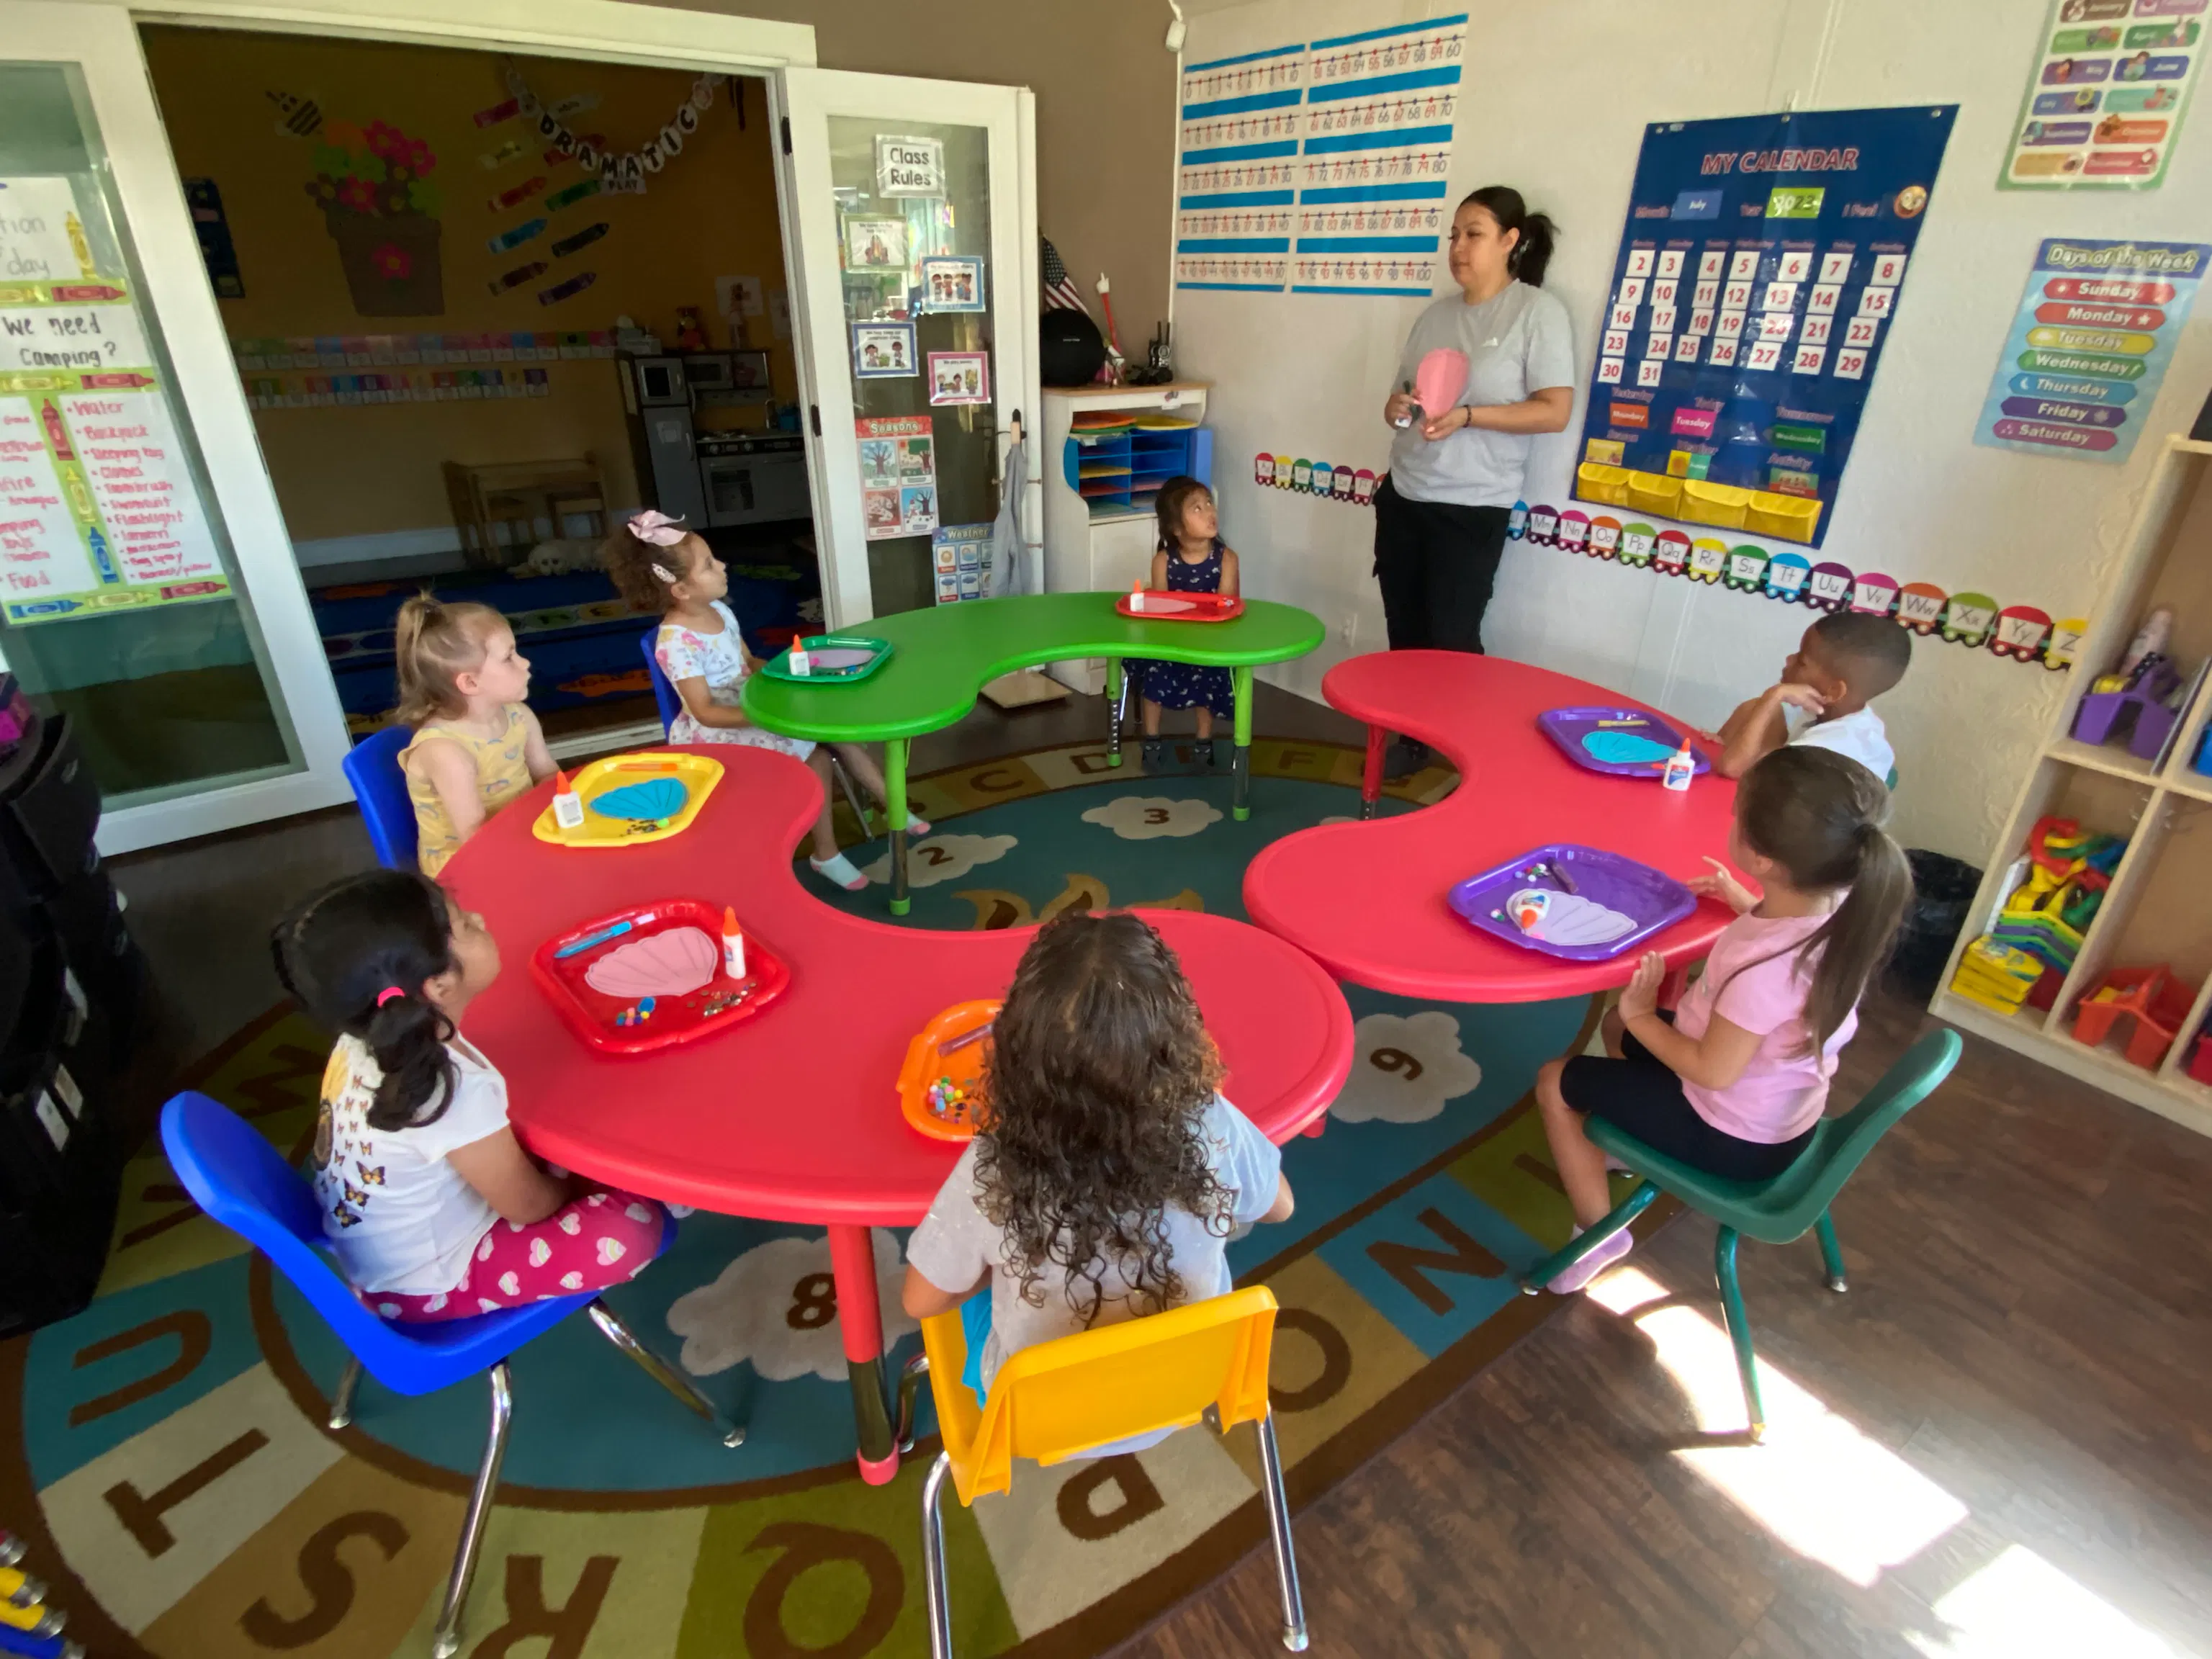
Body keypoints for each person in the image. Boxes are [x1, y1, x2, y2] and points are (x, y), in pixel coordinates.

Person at [1532, 747, 1911, 1292]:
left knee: (1557, 1079)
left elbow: (1712, 1071)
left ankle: (1598, 1235)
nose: (1731, 821)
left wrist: (1644, 1015)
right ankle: (1630, 1139)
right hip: (1777, 1111)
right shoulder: (1843, 905)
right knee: (1616, 1025)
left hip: (1733, 1139)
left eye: (1736, 816)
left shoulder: (1766, 973)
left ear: (1761, 860)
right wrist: (1746, 904)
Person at [901, 911, 1295, 1413]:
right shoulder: (1209, 1120)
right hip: (1188, 1385)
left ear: (1015, 1054)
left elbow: (921, 1302)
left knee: (972, 1285)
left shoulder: (994, 1164)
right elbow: (1280, 1207)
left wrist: (1006, 1259)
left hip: (1040, 1416)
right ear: (1175, 1044)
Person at [272, 869, 669, 1321]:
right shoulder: (450, 1088)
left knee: (570, 1141)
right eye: (464, 925)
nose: (479, 918)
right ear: (439, 987)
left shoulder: (363, 1039)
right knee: (629, 1229)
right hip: (429, 1283)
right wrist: (586, 1187)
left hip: (381, 1251)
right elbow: (530, 1206)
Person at [601, 510, 928, 892]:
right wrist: (769, 713)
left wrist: (781, 673)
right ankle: (826, 854)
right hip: (720, 730)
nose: (723, 566)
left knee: (835, 729)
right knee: (817, 757)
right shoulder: (675, 643)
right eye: (709, 565)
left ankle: (894, 805)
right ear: (681, 591)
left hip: (753, 701)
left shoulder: (719, 610)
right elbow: (705, 711)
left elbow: (747, 661)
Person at [1375, 185, 1576, 778]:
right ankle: (1411, 740)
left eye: (1474, 234)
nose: (1459, 248)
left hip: (1471, 508)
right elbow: (1402, 398)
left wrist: (1468, 416)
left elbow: (1554, 412)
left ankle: (1464, 752)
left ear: (1511, 241)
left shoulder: (1536, 312)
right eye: (1454, 236)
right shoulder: (1436, 316)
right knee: (1405, 633)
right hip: (1405, 494)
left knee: (1453, 639)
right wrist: (1398, 407)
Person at [393, 595, 556, 878]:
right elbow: (476, 840)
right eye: (509, 658)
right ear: (470, 682)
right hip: (465, 868)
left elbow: (547, 773)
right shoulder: (446, 752)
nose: (525, 662)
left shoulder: (518, 715)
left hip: (524, 836)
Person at [1711, 611, 1909, 782]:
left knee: (1763, 710)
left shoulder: (1823, 751)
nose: (1789, 659)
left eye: (1802, 661)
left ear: (1833, 692)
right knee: (1756, 709)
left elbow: (1732, 768)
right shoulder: (1849, 716)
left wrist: (1774, 695)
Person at [1128, 477, 1241, 769]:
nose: (1209, 511)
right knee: (1152, 671)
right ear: (1176, 528)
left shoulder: (1227, 559)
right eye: (1197, 508)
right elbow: (1162, 608)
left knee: (1209, 678)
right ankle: (1152, 739)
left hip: (1208, 641)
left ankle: (1204, 741)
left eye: (1209, 503)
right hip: (1171, 641)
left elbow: (1226, 605)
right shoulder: (1163, 560)